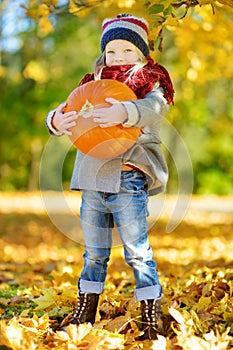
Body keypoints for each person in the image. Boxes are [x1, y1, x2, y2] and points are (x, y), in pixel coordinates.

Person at [46, 14, 174, 340]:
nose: (118, 57)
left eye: (127, 50)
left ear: (142, 53)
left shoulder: (149, 81)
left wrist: (124, 112)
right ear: (104, 53)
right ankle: (84, 312)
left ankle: (150, 317)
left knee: (137, 251)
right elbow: (69, 108)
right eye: (112, 51)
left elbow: (155, 108)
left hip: (128, 179)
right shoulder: (92, 83)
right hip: (91, 180)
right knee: (94, 253)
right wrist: (56, 120)